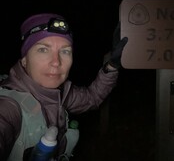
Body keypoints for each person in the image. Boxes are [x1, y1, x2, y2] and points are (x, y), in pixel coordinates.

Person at [0, 13, 128, 161]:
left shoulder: (61, 93)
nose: (56, 62)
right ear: (24, 60)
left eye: (65, 51)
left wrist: (112, 66)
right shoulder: (8, 106)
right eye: (43, 49)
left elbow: (92, 98)